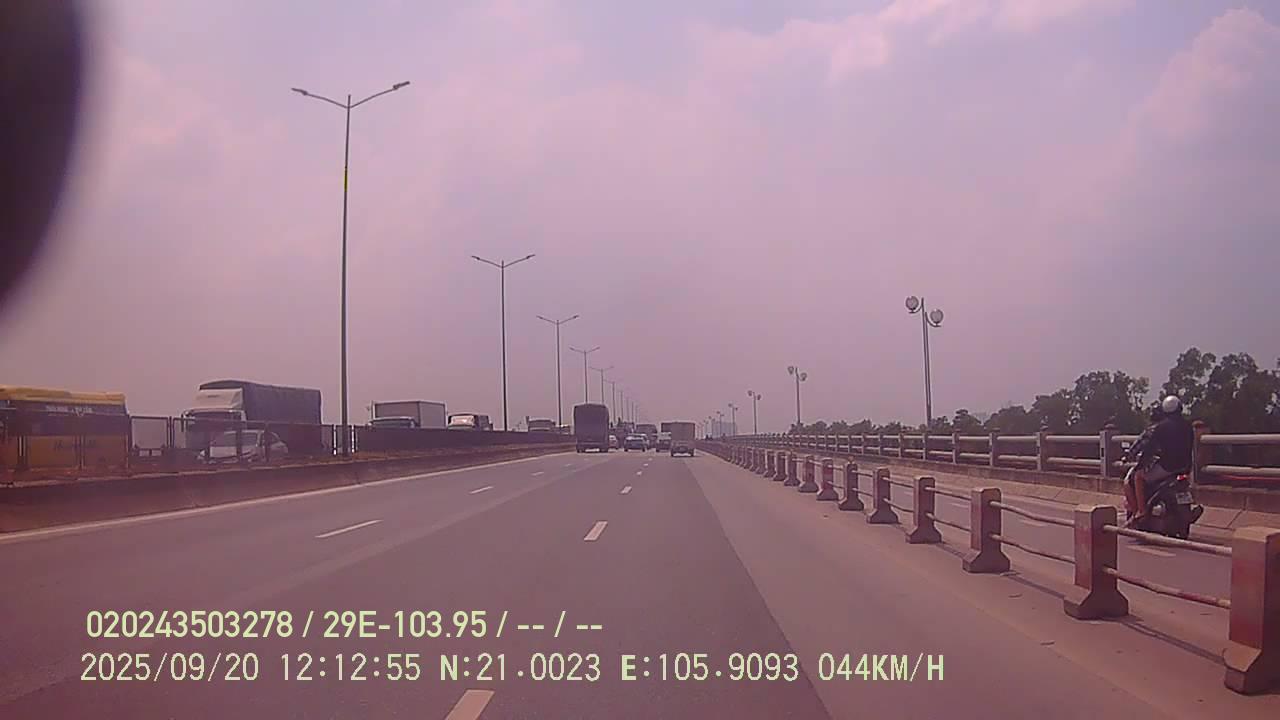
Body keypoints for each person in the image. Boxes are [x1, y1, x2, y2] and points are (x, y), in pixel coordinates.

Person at [1125, 396, 1194, 527]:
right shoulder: (1188, 426)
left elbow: (1149, 449)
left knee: (1138, 477)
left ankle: (1141, 511)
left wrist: (1141, 465)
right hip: (1185, 467)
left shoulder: (1161, 427)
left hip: (1167, 467)